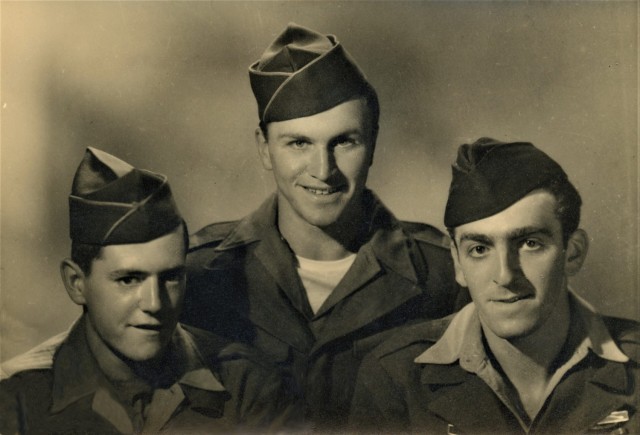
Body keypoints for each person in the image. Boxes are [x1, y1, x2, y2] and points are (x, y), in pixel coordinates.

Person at [181, 23, 468, 428]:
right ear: (265, 149)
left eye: (344, 142)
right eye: (299, 143)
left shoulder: (446, 277)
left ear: (372, 144)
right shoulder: (195, 278)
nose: (323, 170)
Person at [349, 138, 640, 434]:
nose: (505, 275)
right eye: (479, 249)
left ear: (573, 252)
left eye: (529, 244)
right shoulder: (395, 377)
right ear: (458, 263)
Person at [0, 148, 296, 434]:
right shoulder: (16, 397)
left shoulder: (250, 389)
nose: (155, 303)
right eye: (129, 280)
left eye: (170, 277)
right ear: (77, 283)